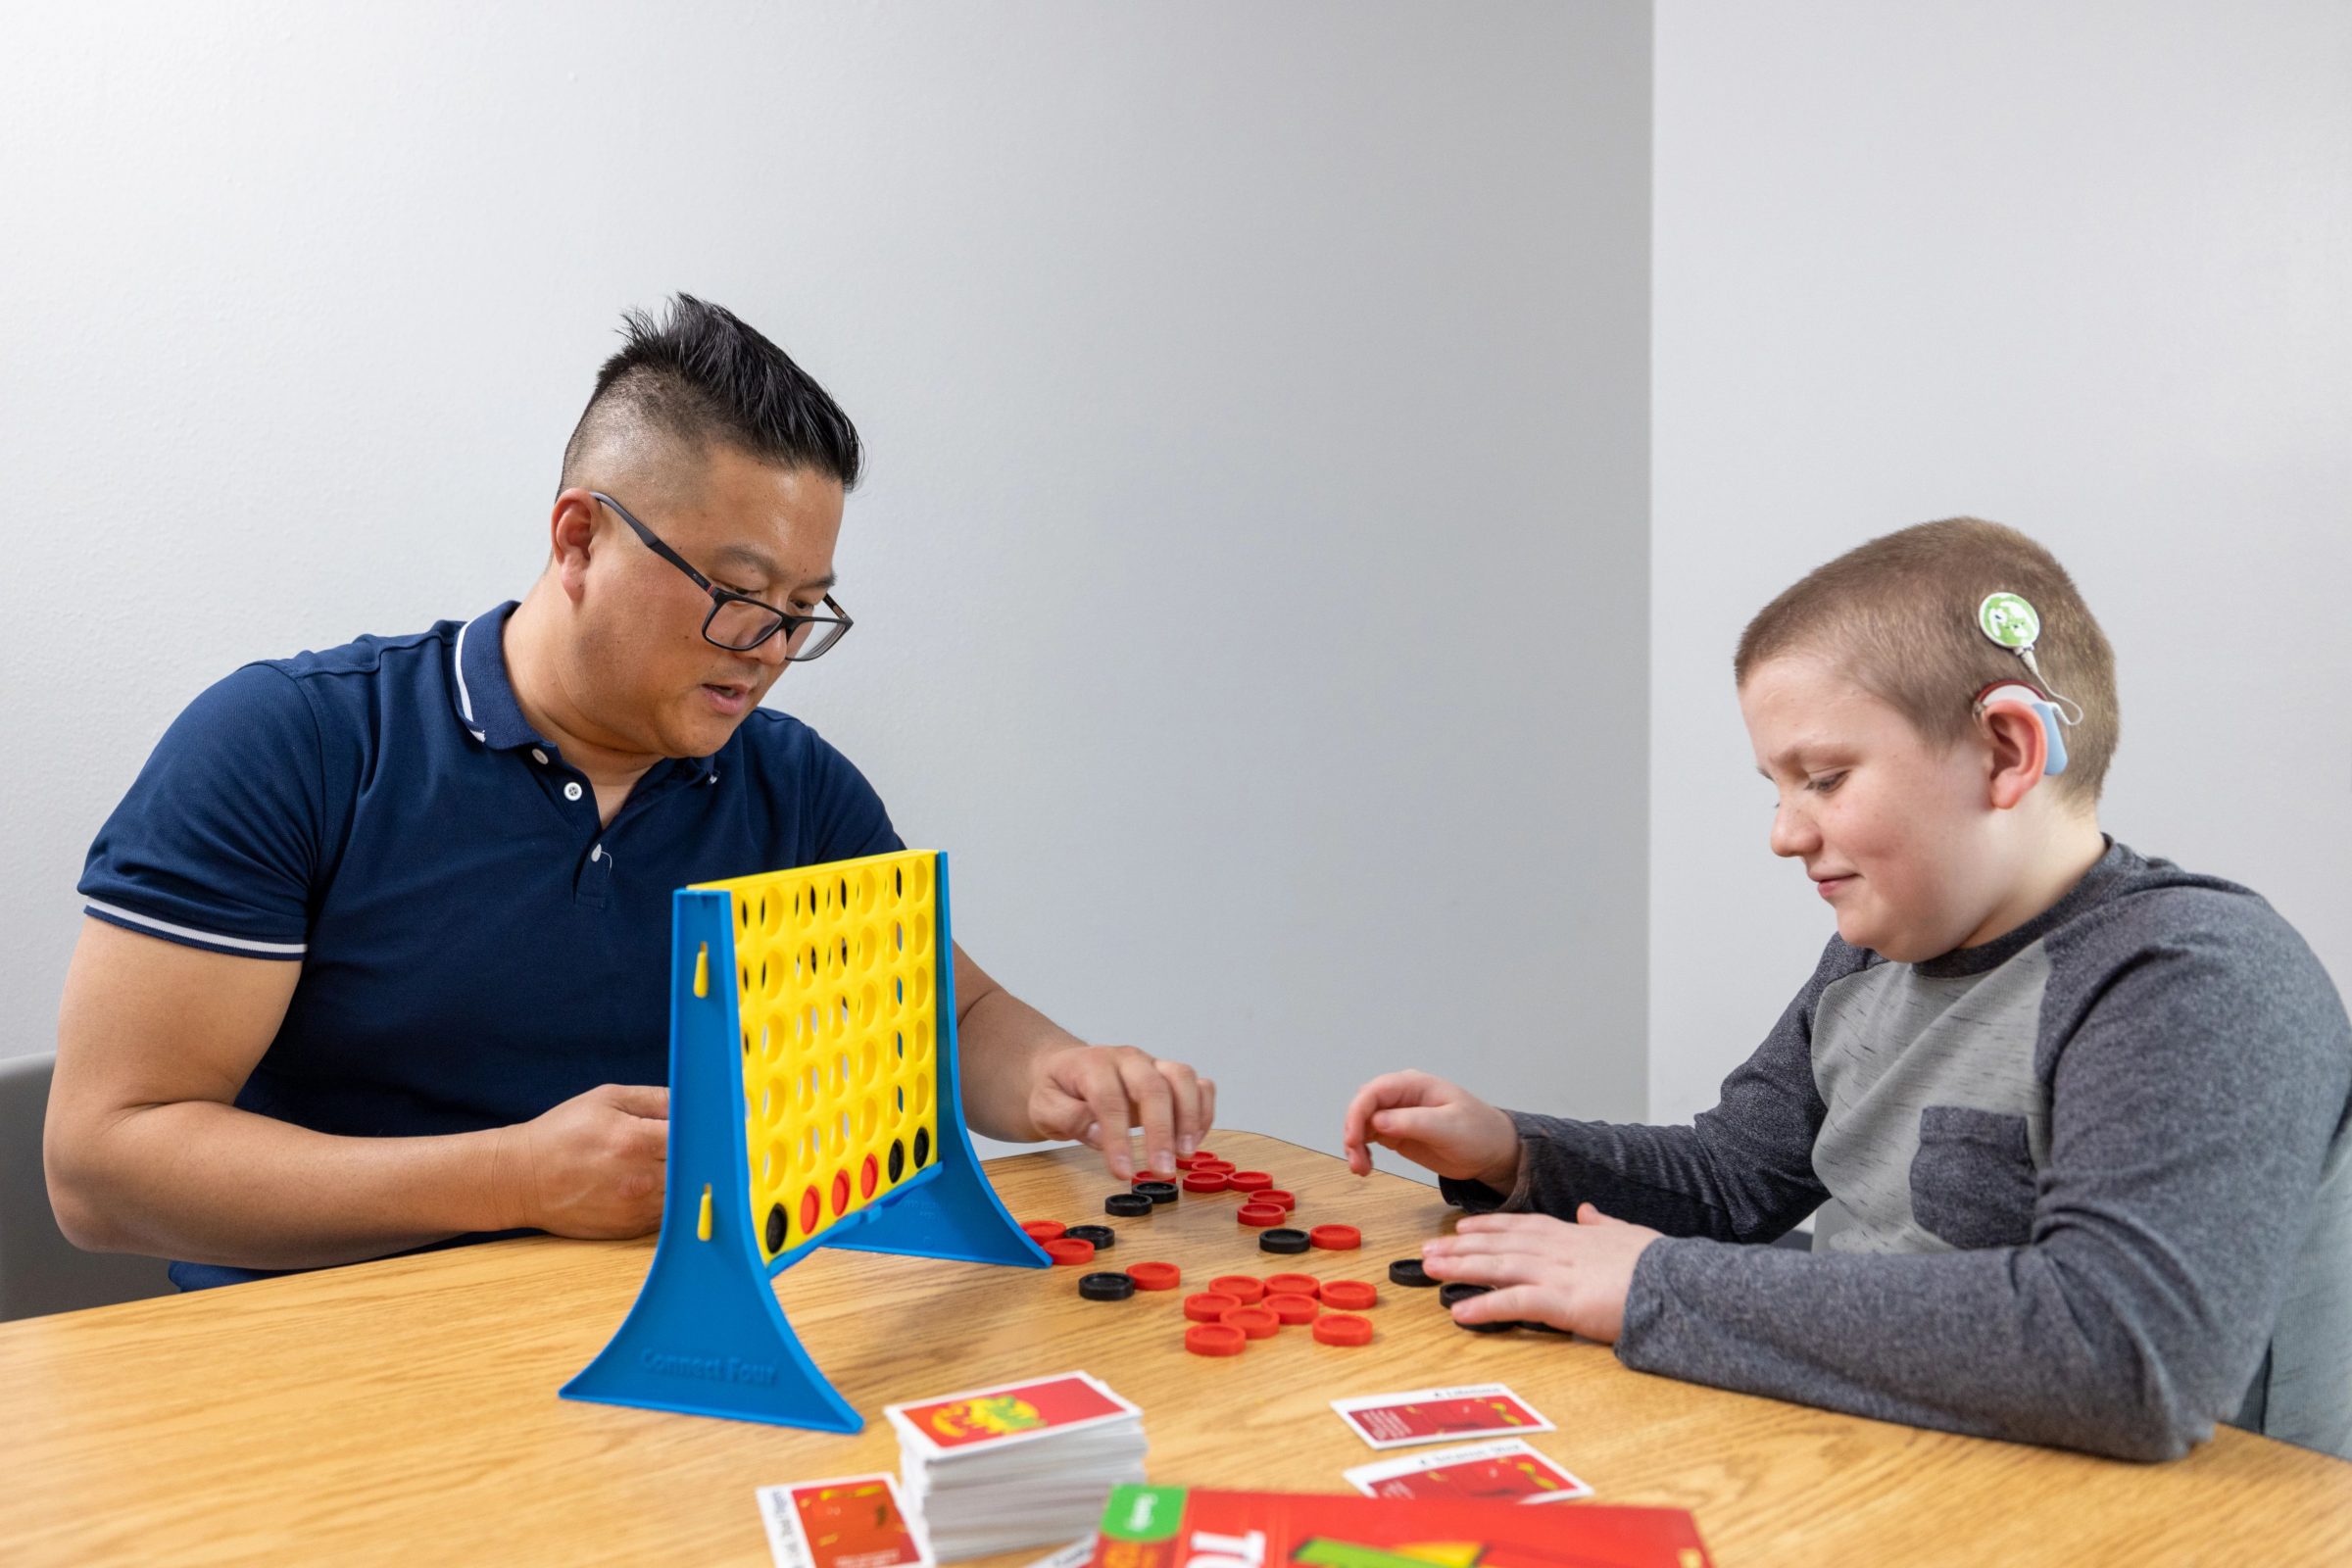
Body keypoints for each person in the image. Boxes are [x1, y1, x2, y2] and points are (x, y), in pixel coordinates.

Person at [47, 295, 1213, 1289]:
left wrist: (1066, 1076)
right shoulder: (292, 745)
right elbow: (103, 1167)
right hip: (309, 1373)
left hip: (665, 1361)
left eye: (804, 609)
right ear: (578, 540)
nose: (765, 646)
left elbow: (949, 1023)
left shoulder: (791, 785)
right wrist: (515, 1174)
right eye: (739, 590)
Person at [1343, 517, 2349, 1462]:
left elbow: (2127, 1352)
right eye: (1775, 787)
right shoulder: (1883, 952)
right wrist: (1522, 1154)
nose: (1784, 830)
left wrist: (1656, 1285)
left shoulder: (2193, 974)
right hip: (1871, 1463)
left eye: (1822, 777)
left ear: (2006, 752)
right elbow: (1737, 1177)